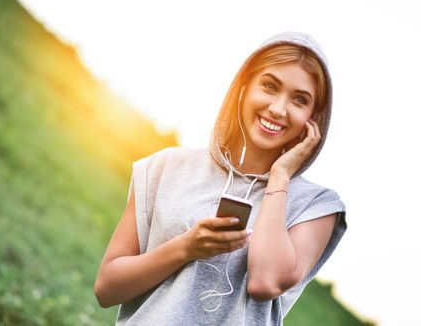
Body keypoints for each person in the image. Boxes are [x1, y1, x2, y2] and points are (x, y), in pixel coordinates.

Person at [94, 31, 348, 325]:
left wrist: (280, 177)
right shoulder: (166, 167)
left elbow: (264, 283)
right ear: (243, 88)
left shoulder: (317, 207)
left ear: (313, 120)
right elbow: (106, 289)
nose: (278, 109)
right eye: (269, 86)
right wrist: (187, 247)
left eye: (299, 100)